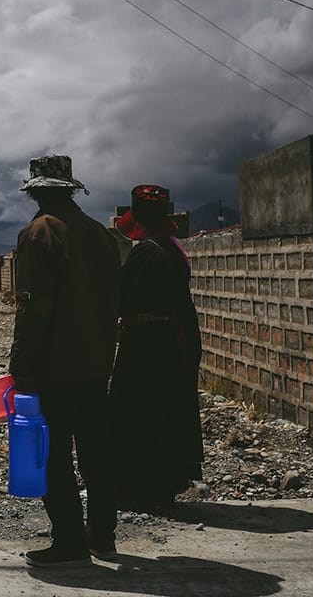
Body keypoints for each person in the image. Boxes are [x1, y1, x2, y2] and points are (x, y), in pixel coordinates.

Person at [8, 155, 122, 568]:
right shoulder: (101, 234)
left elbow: (32, 309)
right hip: (96, 363)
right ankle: (103, 537)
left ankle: (69, 541)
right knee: (96, 453)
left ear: (36, 191)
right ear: (70, 188)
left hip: (55, 368)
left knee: (53, 457)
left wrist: (21, 366)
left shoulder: (37, 235)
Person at [109, 184, 203, 509]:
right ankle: (161, 485)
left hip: (147, 342)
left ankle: (142, 489)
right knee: (165, 409)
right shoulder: (172, 249)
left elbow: (125, 297)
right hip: (172, 339)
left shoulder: (146, 251)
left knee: (139, 410)